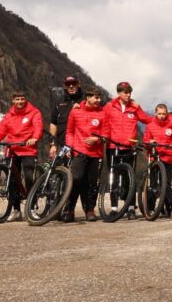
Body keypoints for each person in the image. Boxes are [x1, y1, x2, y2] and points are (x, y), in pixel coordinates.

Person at [0, 90, 42, 221]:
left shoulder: (34, 112)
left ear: (25, 99)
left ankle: (32, 208)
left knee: (29, 178)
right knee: (12, 180)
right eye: (17, 99)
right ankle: (16, 210)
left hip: (28, 149)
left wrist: (34, 138)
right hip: (12, 149)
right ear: (13, 101)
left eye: (22, 99)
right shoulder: (9, 116)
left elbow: (38, 127)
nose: (20, 102)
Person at [100, 81, 152, 220]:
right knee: (113, 177)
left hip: (129, 147)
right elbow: (100, 120)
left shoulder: (134, 107)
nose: (128, 95)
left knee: (130, 178)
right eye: (125, 92)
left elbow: (147, 120)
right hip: (113, 147)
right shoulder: (109, 107)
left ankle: (130, 208)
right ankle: (114, 208)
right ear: (119, 93)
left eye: (130, 92)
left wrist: (163, 117)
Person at [62, 87, 105, 222]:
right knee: (76, 180)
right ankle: (69, 210)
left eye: (99, 97)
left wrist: (97, 139)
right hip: (79, 151)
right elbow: (69, 132)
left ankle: (90, 210)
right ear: (88, 98)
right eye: (96, 97)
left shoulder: (103, 113)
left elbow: (106, 133)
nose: (99, 100)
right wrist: (69, 147)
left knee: (92, 183)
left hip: (96, 153)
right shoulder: (75, 112)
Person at [143, 104, 172, 219]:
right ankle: (150, 208)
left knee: (171, 184)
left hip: (168, 157)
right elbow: (146, 140)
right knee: (152, 184)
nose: (161, 116)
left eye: (164, 114)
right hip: (154, 157)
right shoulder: (150, 126)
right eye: (159, 113)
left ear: (167, 113)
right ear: (155, 113)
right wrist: (149, 142)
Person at [49, 76, 83, 159]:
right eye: (68, 84)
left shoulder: (86, 100)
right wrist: (53, 145)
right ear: (65, 86)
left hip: (81, 145)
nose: (71, 86)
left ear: (79, 84)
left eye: (74, 83)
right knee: (59, 165)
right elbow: (53, 123)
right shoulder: (59, 101)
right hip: (63, 145)